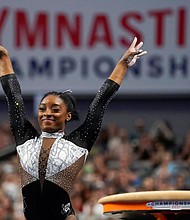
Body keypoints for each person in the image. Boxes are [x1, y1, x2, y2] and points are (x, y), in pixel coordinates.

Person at [0, 37, 147, 220]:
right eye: (42, 108)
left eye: (55, 109)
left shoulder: (79, 142)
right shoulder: (25, 138)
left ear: (68, 116)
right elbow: (13, 96)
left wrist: (123, 64)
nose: (47, 113)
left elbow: (100, 101)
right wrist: (4, 58)